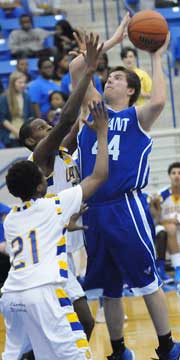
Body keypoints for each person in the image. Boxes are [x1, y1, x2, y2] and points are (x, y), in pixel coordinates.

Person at [70, 16, 180, 360]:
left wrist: (155, 55)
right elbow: (79, 67)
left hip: (125, 208)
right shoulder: (92, 109)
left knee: (147, 279)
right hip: (93, 209)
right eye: (108, 76)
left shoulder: (138, 117)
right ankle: (118, 350)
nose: (110, 80)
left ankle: (166, 347)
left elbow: (161, 101)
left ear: (131, 90)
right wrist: (114, 40)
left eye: (118, 78)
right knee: (109, 288)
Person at [1, 98, 109, 359]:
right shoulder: (53, 201)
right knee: (80, 331)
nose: (47, 126)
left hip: (14, 291)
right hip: (46, 280)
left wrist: (64, 225)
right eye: (40, 126)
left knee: (25, 351)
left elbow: (70, 130)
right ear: (41, 184)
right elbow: (98, 174)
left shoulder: (12, 218)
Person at [19, 33, 104, 343]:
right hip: (48, 246)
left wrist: (81, 64)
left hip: (66, 239)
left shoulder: (62, 150)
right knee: (79, 321)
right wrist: (87, 70)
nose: (48, 128)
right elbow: (68, 116)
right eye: (41, 128)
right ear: (31, 140)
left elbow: (80, 116)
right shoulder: (40, 156)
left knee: (73, 324)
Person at [155, 162, 180, 284]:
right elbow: (156, 220)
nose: (176, 176)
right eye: (173, 173)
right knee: (170, 227)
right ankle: (178, 267)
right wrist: (170, 220)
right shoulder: (160, 196)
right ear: (169, 176)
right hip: (166, 230)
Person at [0, 71, 33, 148]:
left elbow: (31, 116)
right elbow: (2, 119)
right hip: (11, 134)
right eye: (20, 82)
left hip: (25, 133)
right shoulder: (4, 98)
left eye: (24, 82)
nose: (23, 85)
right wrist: (17, 132)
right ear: (12, 83)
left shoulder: (27, 97)